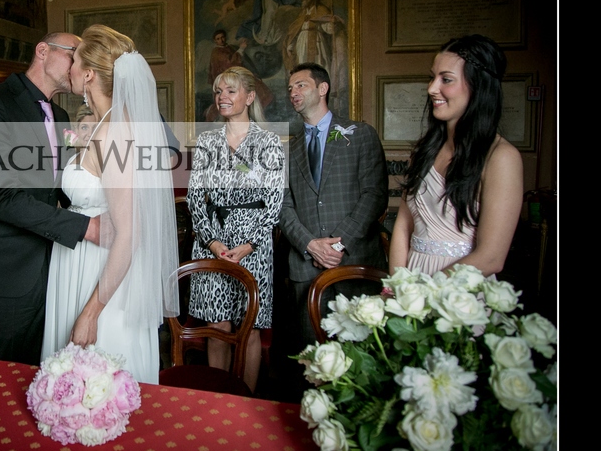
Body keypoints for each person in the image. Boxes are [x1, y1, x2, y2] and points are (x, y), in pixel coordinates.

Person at [41, 25, 179, 384]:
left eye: (74, 60)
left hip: (100, 274)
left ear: (88, 74)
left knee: (97, 381)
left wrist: (91, 313)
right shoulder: (105, 124)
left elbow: (128, 234)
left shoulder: (116, 132)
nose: (69, 67)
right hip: (79, 260)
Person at [0, 32, 101, 366]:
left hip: (51, 268)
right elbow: (4, 197)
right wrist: (87, 228)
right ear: (43, 51)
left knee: (35, 374)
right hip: (1, 271)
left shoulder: (61, 118)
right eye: (74, 54)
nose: (79, 65)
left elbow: (64, 189)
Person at [389, 35, 522, 277]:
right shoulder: (424, 150)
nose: (432, 88)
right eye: (433, 77)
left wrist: (427, 293)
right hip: (412, 280)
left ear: (478, 86)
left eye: (446, 79)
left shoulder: (501, 157)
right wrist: (398, 286)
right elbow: (403, 224)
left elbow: (491, 257)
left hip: (460, 286)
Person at [187, 66, 285, 393]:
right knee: (218, 327)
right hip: (213, 243)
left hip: (253, 246)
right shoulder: (207, 141)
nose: (222, 97)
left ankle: (246, 401)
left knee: (250, 327)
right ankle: (219, 401)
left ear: (250, 96)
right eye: (218, 91)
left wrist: (249, 245)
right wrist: (212, 242)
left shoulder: (268, 141)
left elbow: (274, 201)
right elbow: (195, 198)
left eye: (231, 90)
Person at [279, 62, 388, 349]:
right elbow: (283, 206)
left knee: (363, 355)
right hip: (306, 267)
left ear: (322, 88)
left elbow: (374, 195)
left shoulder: (360, 134)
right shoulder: (288, 149)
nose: (293, 92)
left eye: (300, 85)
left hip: (355, 263)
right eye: (290, 88)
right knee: (312, 357)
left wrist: (337, 246)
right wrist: (311, 245)